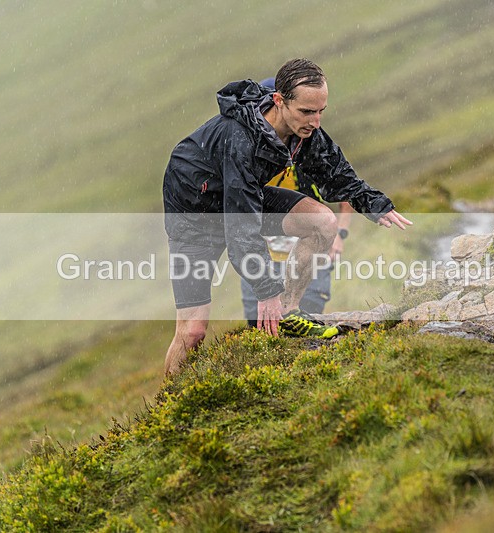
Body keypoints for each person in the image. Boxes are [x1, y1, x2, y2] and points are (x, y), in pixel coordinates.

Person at [162, 58, 411, 376]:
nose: (316, 121)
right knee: (193, 330)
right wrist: (266, 290)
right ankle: (167, 404)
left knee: (323, 223)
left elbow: (334, 171)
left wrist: (375, 203)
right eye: (307, 112)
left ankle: (290, 311)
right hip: (194, 214)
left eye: (321, 111)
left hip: (241, 195)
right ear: (279, 101)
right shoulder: (240, 139)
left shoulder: (302, 132)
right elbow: (241, 226)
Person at [239, 77, 354, 326]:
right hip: (263, 261)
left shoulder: (308, 153)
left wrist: (339, 237)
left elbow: (347, 194)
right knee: (261, 329)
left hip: (307, 259)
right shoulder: (246, 156)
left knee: (306, 323)